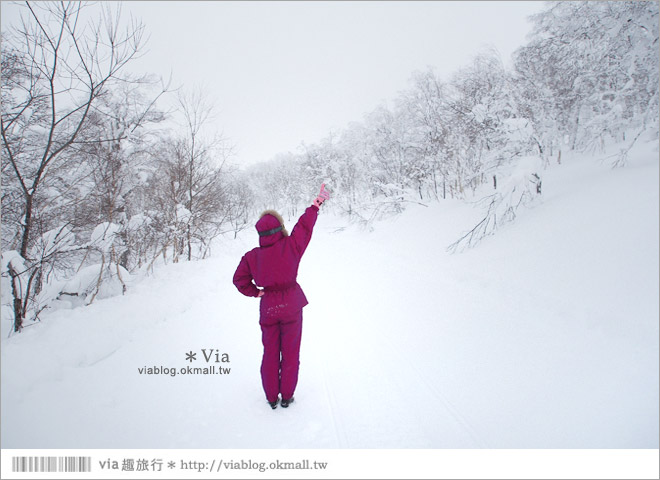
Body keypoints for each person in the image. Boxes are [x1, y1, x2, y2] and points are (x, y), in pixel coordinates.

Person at [233, 184, 330, 409]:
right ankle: (286, 396)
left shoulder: (252, 257)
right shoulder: (291, 246)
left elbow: (239, 280)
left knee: (269, 354)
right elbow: (304, 228)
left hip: (269, 308)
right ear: (279, 228)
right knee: (290, 352)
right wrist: (315, 205)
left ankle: (270, 398)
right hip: (291, 306)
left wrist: (256, 292)